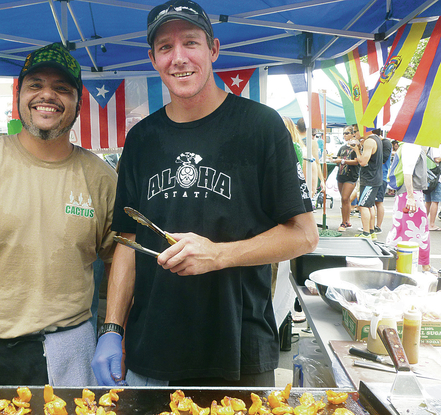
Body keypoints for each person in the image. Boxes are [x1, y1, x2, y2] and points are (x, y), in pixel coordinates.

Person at [91, 0, 318, 388]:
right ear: (153, 59)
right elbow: (129, 240)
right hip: (152, 354)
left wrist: (219, 254)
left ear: (213, 49)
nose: (179, 58)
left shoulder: (262, 128)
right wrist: (112, 328)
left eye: (190, 43)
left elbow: (303, 234)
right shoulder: (141, 140)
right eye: (165, 48)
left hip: (238, 352)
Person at [0, 43, 117, 387]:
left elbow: (119, 262)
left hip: (73, 349)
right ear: (18, 94)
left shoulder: (101, 177)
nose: (47, 96)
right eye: (36, 85)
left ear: (78, 103)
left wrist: (112, 331)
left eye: (62, 88)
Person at [386, 142, 432, 272]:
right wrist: (411, 197)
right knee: (419, 230)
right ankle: (424, 265)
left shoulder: (407, 145)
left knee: (400, 229)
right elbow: (408, 172)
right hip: (411, 193)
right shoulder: (412, 146)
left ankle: (392, 261)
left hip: (406, 193)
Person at [351, 125, 383, 239]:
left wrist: (356, 151)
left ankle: (366, 233)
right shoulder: (377, 139)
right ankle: (370, 231)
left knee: (363, 206)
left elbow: (363, 162)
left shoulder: (369, 141)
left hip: (369, 178)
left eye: (355, 131)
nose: (354, 134)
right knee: (370, 206)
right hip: (375, 177)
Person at [332, 127, 358, 232]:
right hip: (341, 175)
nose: (345, 135)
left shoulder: (356, 147)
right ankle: (347, 220)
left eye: (347, 133)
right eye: (343, 133)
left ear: (353, 134)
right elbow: (338, 159)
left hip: (351, 176)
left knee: (344, 197)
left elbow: (356, 161)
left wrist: (342, 161)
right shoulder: (342, 147)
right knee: (345, 199)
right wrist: (336, 161)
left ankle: (343, 223)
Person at [296, 118, 325, 198]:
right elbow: (317, 162)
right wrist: (322, 180)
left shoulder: (294, 141)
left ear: (297, 127)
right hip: (308, 173)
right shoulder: (312, 142)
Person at [372, 128, 391, 235]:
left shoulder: (386, 143)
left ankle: (378, 226)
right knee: (372, 203)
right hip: (374, 176)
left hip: (381, 177)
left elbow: (383, 159)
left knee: (379, 202)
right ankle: (371, 226)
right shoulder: (380, 143)